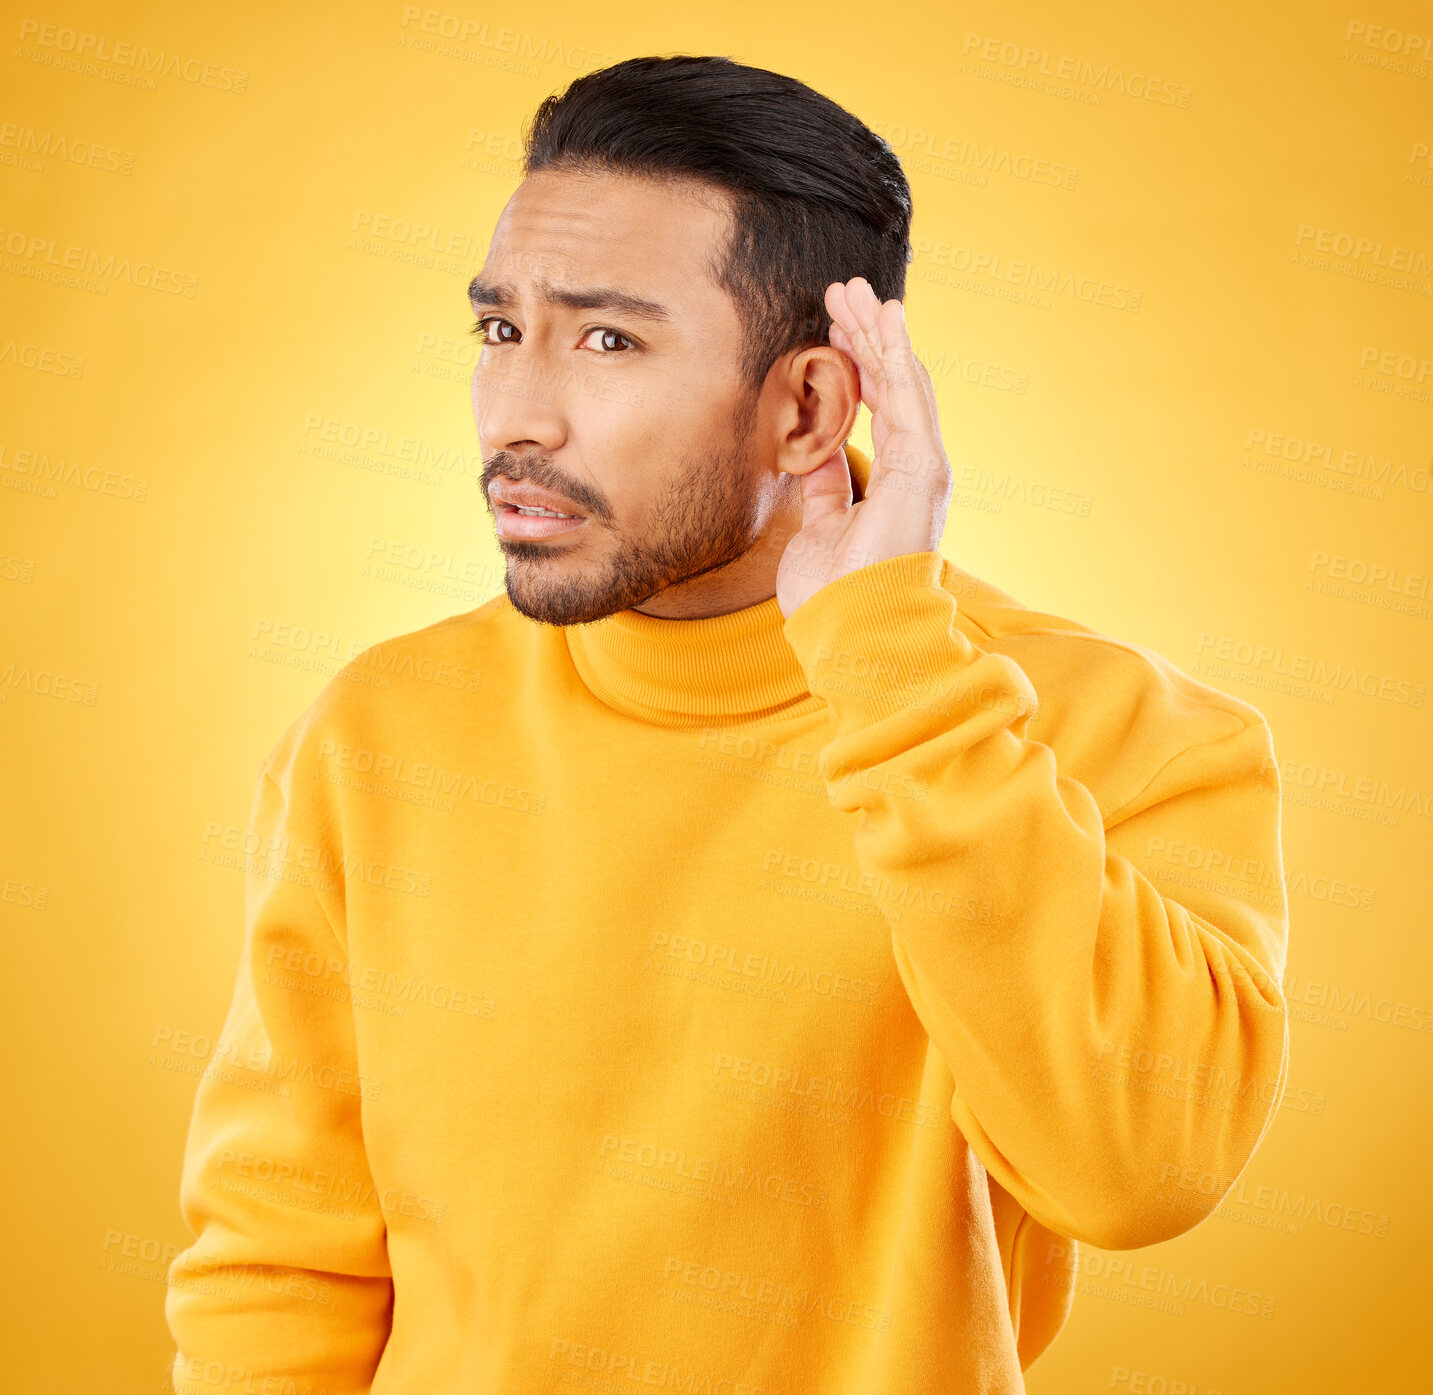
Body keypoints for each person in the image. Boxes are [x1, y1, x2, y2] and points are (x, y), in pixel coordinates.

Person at [165, 54, 1290, 1395]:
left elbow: (1137, 1171)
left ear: (806, 405)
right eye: (497, 329)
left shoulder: (1115, 734)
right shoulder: (373, 733)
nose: (516, 416)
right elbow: (279, 1261)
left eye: (605, 339)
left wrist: (890, 668)